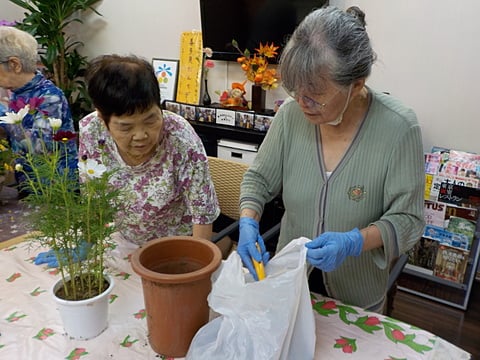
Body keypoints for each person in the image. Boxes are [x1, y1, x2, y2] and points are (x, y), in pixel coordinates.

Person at [237, 6, 425, 313]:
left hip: (356, 298)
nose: (301, 103)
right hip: (292, 284)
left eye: (315, 95)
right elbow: (259, 179)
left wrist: (354, 242)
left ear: (357, 84)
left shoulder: (398, 128)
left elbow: (409, 219)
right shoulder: (290, 116)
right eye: (295, 89)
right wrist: (247, 221)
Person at [79, 54, 220, 245]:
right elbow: (92, 198)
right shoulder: (91, 131)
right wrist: (90, 247)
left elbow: (202, 213)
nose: (141, 136)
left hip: (179, 244)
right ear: (103, 120)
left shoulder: (180, 137)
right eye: (126, 127)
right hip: (125, 241)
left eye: (150, 120)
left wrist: (195, 262)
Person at [0, 26, 77, 194]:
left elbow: (40, 146)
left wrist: (2, 114)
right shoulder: (17, 93)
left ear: (14, 64)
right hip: (30, 186)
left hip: (57, 191)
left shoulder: (49, 96)